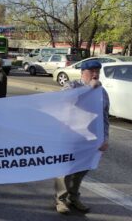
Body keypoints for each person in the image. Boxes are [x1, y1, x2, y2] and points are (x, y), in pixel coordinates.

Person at [54, 59, 109, 215]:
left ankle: (73, 196)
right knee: (65, 169)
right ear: (82, 73)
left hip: (90, 138)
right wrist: (87, 89)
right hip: (70, 136)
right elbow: (64, 99)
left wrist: (105, 138)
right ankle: (61, 199)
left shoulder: (102, 91)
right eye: (91, 72)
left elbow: (105, 116)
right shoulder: (73, 86)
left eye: (97, 71)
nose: (95, 74)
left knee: (82, 169)